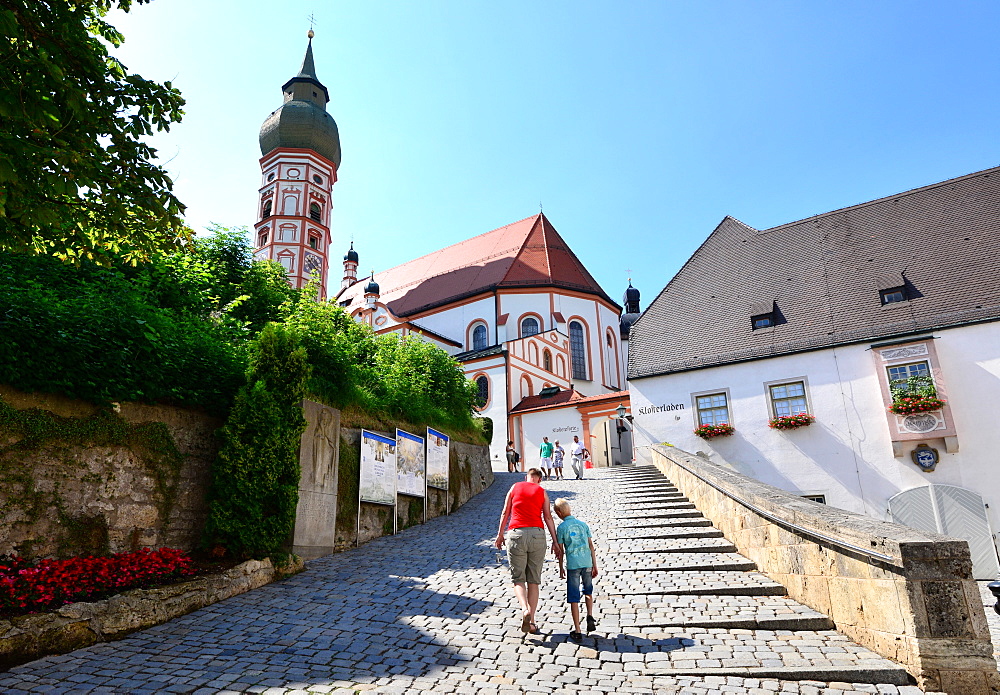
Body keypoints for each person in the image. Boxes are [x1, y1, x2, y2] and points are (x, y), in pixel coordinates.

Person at [495, 468, 562, 634]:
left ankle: (524, 608)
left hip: (516, 534)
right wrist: (555, 541)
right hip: (537, 536)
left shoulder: (514, 487)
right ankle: (531, 621)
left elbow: (505, 512)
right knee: (534, 580)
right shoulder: (542, 491)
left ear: (527, 477)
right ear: (539, 479)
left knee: (518, 579)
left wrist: (499, 535)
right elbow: (548, 517)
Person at [554, 497, 599, 640]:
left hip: (573, 565)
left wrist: (561, 567)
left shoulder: (561, 528)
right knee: (588, 591)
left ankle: (578, 630)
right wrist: (594, 565)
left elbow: (560, 551)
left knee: (574, 596)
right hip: (587, 563)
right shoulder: (583, 525)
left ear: (559, 513)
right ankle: (590, 615)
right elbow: (591, 546)